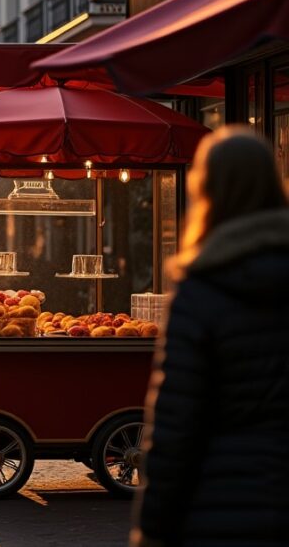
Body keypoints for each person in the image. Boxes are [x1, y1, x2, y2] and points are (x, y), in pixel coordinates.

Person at [134, 129, 289, 546]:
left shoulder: (200, 288)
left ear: (206, 191)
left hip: (220, 508)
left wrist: (151, 528)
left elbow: (175, 427)